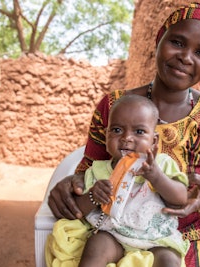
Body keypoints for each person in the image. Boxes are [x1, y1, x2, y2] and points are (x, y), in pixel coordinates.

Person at [47, 2, 200, 266]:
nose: (186, 57)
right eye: (178, 42)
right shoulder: (115, 106)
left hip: (191, 241)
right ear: (159, 40)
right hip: (112, 236)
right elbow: (92, 169)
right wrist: (71, 184)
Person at [74, 94, 189, 267]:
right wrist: (93, 196)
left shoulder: (162, 164)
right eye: (117, 130)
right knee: (95, 246)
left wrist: (156, 177)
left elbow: (181, 199)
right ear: (106, 136)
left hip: (157, 239)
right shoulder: (98, 170)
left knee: (169, 260)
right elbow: (78, 210)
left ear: (154, 141)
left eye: (139, 131)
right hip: (113, 235)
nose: (126, 138)